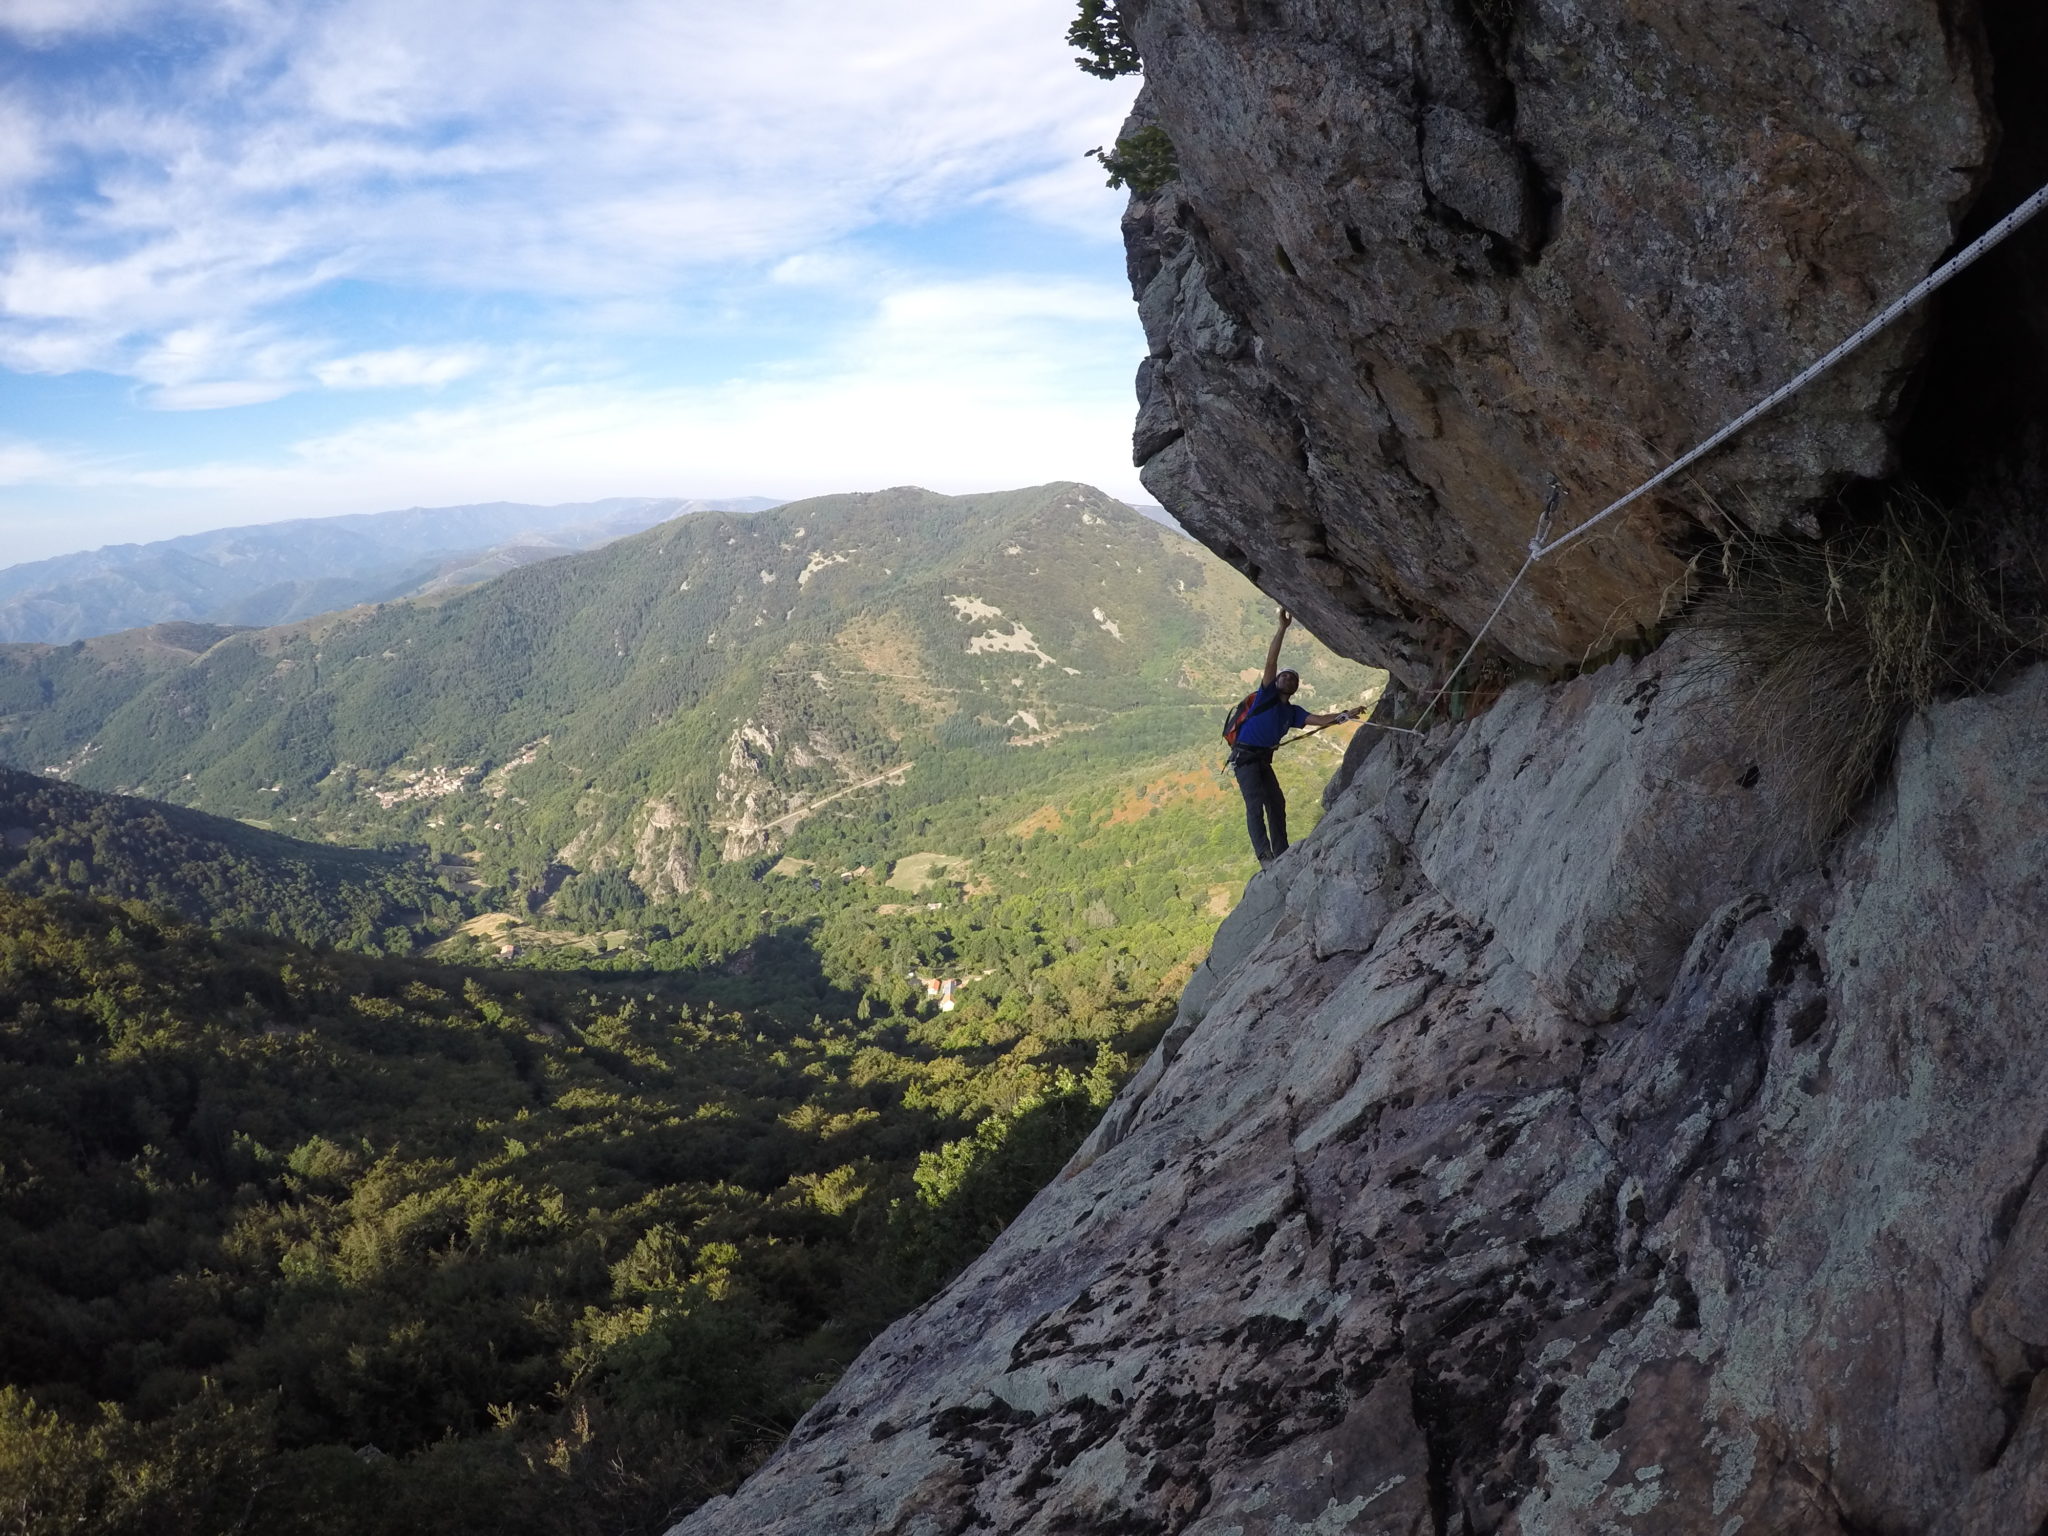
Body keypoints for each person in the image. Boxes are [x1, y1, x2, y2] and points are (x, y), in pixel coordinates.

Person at [1229, 608, 1358, 864]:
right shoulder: (1265, 696)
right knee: (1255, 806)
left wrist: (1347, 714)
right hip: (1245, 758)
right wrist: (1282, 629)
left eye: (1292, 678)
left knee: (1276, 804)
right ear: (1276, 681)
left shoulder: (1293, 712)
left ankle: (1282, 852)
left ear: (1296, 687)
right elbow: (1271, 662)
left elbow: (1320, 720)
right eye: (1284, 676)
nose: (1287, 678)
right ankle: (1265, 856)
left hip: (1262, 760)